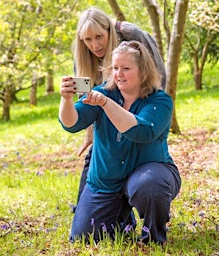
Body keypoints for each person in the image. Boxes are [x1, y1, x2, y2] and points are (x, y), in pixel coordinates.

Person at [59, 41, 181, 244]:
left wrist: (107, 105)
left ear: (143, 71)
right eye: (115, 68)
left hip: (149, 174)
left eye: (126, 68)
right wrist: (66, 100)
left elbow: (143, 130)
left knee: (149, 186)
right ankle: (123, 221)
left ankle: (153, 238)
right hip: (107, 181)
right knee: (82, 238)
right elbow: (72, 124)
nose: (119, 74)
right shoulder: (102, 92)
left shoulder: (160, 101)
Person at [70, 7, 167, 219]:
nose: (94, 45)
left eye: (99, 37)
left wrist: (144, 114)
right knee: (96, 158)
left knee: (137, 164)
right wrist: (90, 130)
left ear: (109, 29)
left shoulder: (131, 34)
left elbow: (158, 75)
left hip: (140, 106)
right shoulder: (82, 51)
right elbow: (84, 93)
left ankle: (137, 212)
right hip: (105, 108)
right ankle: (91, 214)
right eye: (87, 39)